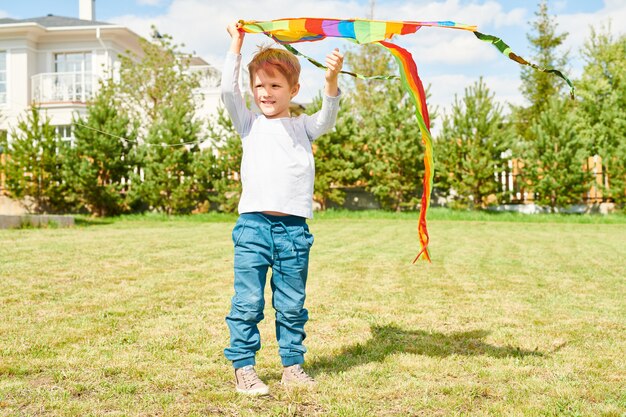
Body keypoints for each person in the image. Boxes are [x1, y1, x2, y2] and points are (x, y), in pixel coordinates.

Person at [221, 22, 343, 395]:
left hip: (294, 232)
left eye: (276, 86)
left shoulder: (303, 127)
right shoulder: (248, 124)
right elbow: (228, 89)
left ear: (293, 90)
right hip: (253, 228)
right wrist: (237, 44)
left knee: (291, 305)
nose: (266, 93)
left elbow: (328, 119)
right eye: (259, 85)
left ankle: (292, 367)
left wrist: (332, 81)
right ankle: (244, 368)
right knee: (249, 302)